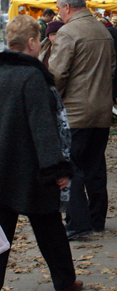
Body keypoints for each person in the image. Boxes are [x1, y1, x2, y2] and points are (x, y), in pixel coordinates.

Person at [0, 15, 83, 291]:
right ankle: (65, 281)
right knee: (50, 230)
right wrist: (56, 168)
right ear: (33, 43)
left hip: (2, 168)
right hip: (31, 169)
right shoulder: (32, 77)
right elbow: (43, 126)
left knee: (0, 235)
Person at [49, 0, 116, 240]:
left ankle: (78, 223)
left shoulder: (68, 32)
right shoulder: (102, 31)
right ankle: (97, 219)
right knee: (96, 166)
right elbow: (111, 70)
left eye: (59, 7)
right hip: (101, 110)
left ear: (67, 7)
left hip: (76, 112)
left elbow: (57, 74)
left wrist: (51, 103)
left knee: (73, 166)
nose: (58, 12)